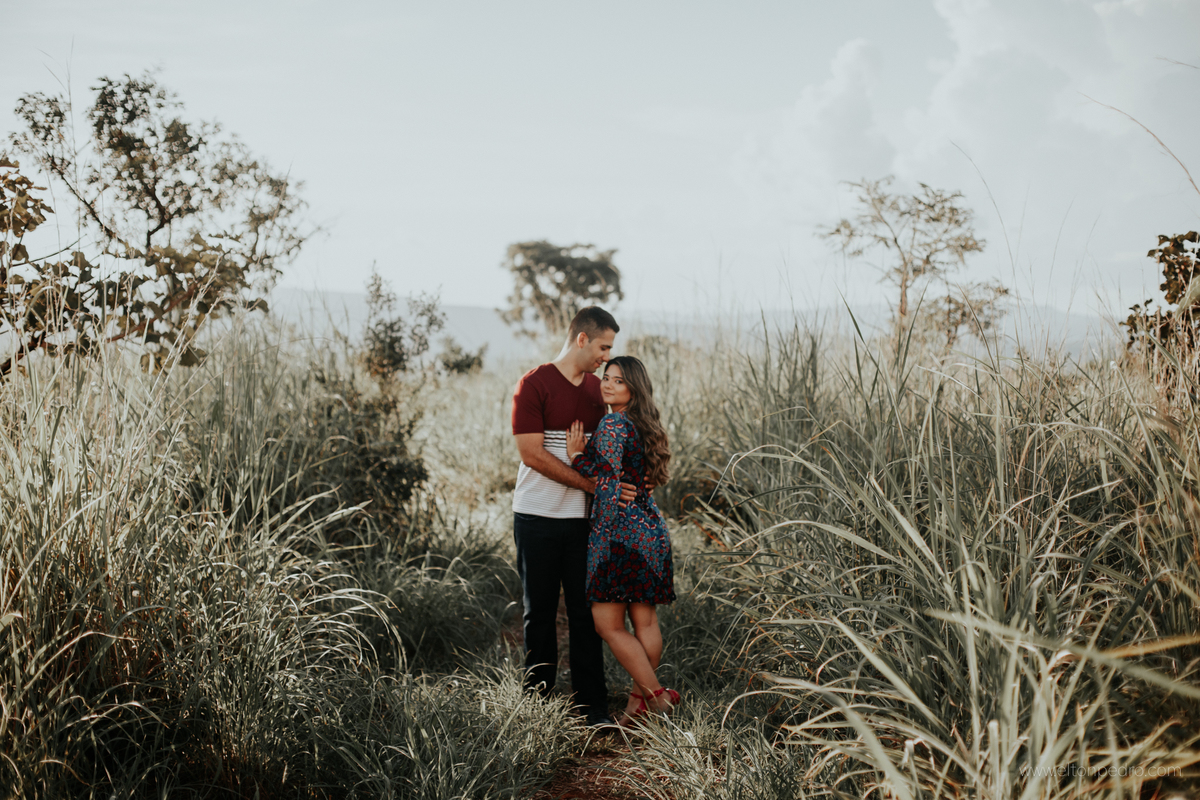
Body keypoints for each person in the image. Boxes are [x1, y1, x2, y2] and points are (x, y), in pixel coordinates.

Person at [510, 306, 636, 728]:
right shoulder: (534, 384)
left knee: (586, 614)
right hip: (536, 517)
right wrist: (591, 486)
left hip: (585, 523)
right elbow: (532, 454)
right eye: (603, 347)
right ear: (582, 339)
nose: (606, 357)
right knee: (539, 613)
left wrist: (632, 483)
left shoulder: (599, 393)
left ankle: (592, 707)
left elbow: (614, 450)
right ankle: (537, 705)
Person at [566, 355, 679, 726]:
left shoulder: (614, 423)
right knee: (645, 622)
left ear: (633, 387)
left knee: (608, 626)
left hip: (618, 534)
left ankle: (658, 699)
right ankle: (636, 705)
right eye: (606, 378)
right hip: (649, 531)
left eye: (618, 380)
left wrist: (577, 455)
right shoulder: (644, 424)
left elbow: (606, 478)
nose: (608, 385)